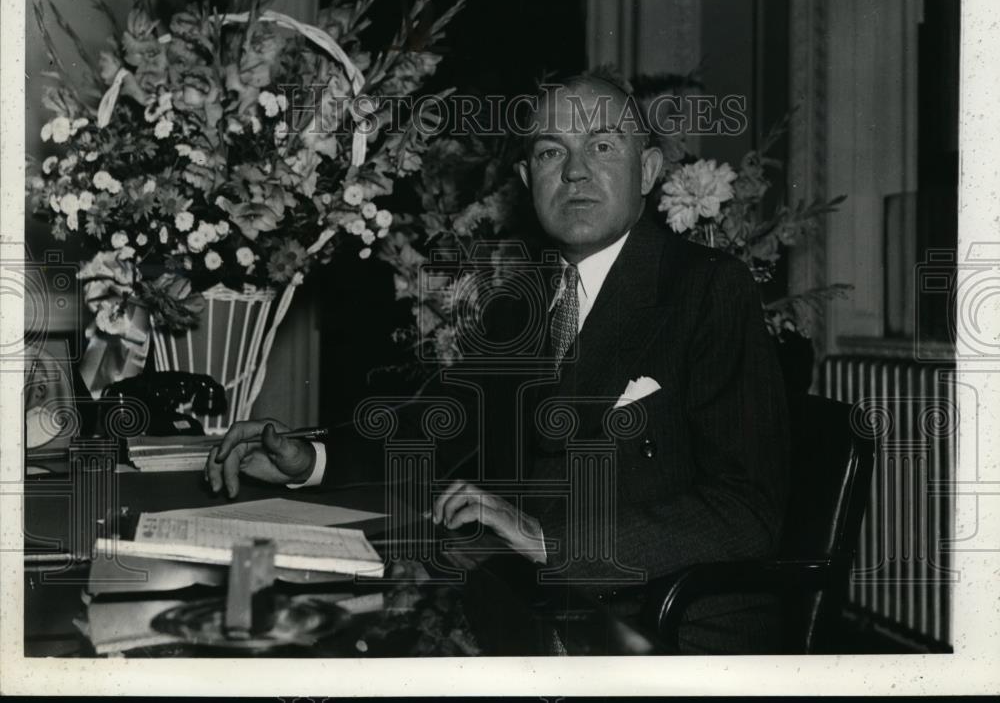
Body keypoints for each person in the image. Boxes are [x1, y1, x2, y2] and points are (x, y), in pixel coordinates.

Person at [207, 73, 791, 652]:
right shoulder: (522, 302)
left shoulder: (707, 289)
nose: (575, 171)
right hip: (531, 608)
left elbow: (746, 509)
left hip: (658, 630)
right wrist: (310, 459)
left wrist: (548, 539)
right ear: (525, 178)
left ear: (649, 171)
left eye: (603, 146)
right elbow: (438, 427)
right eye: (549, 152)